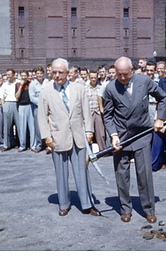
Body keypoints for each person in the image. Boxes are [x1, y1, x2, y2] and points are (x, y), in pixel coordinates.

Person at [103, 56, 166, 223]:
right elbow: (108, 116)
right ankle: (125, 208)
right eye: (119, 74)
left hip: (142, 133)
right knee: (121, 174)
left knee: (144, 173)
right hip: (121, 136)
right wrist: (113, 135)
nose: (122, 78)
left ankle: (148, 209)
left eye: (126, 74)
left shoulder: (145, 81)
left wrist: (159, 117)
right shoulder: (110, 88)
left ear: (132, 69)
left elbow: (163, 97)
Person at [38, 58, 100, 217]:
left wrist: (89, 130)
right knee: (61, 173)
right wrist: (46, 137)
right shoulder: (46, 91)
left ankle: (87, 204)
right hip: (57, 138)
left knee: (82, 172)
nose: (57, 75)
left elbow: (86, 111)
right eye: (54, 72)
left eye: (60, 72)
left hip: (78, 137)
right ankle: (64, 204)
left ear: (68, 73)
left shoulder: (78, 89)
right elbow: (42, 117)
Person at [15, 70, 36, 152]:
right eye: (22, 76)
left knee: (32, 127)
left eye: (25, 76)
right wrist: (20, 86)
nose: (23, 77)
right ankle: (22, 145)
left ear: (27, 76)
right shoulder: (17, 85)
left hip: (30, 106)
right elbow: (17, 96)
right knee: (22, 127)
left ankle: (33, 145)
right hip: (21, 106)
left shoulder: (31, 84)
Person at [85, 70, 106, 151]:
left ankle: (103, 150)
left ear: (97, 78)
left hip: (97, 112)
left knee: (100, 133)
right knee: (89, 133)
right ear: (89, 78)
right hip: (89, 113)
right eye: (91, 78)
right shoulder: (85, 88)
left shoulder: (100, 88)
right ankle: (88, 151)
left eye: (95, 78)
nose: (93, 79)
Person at [29, 66, 47, 153]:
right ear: (35, 75)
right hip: (37, 107)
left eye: (41, 73)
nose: (39, 75)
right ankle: (39, 144)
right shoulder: (32, 84)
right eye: (37, 73)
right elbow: (32, 98)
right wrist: (41, 103)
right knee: (38, 126)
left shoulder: (47, 82)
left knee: (48, 125)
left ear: (43, 74)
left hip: (48, 107)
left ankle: (48, 145)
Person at [1, 69, 20, 151]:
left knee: (19, 126)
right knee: (7, 126)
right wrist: (4, 107)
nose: (8, 76)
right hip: (8, 103)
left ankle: (20, 143)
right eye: (7, 75)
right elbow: (2, 97)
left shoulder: (18, 83)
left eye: (9, 74)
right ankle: (6, 144)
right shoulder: (4, 85)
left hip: (17, 104)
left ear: (14, 74)